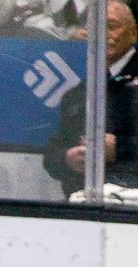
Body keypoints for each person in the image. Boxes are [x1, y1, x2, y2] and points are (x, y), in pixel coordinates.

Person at [44, 0, 138, 196]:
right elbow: (53, 152)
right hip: (83, 205)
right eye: (95, 27)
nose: (103, 34)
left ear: (133, 32)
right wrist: (68, 158)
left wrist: (120, 149)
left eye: (111, 26)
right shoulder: (79, 92)